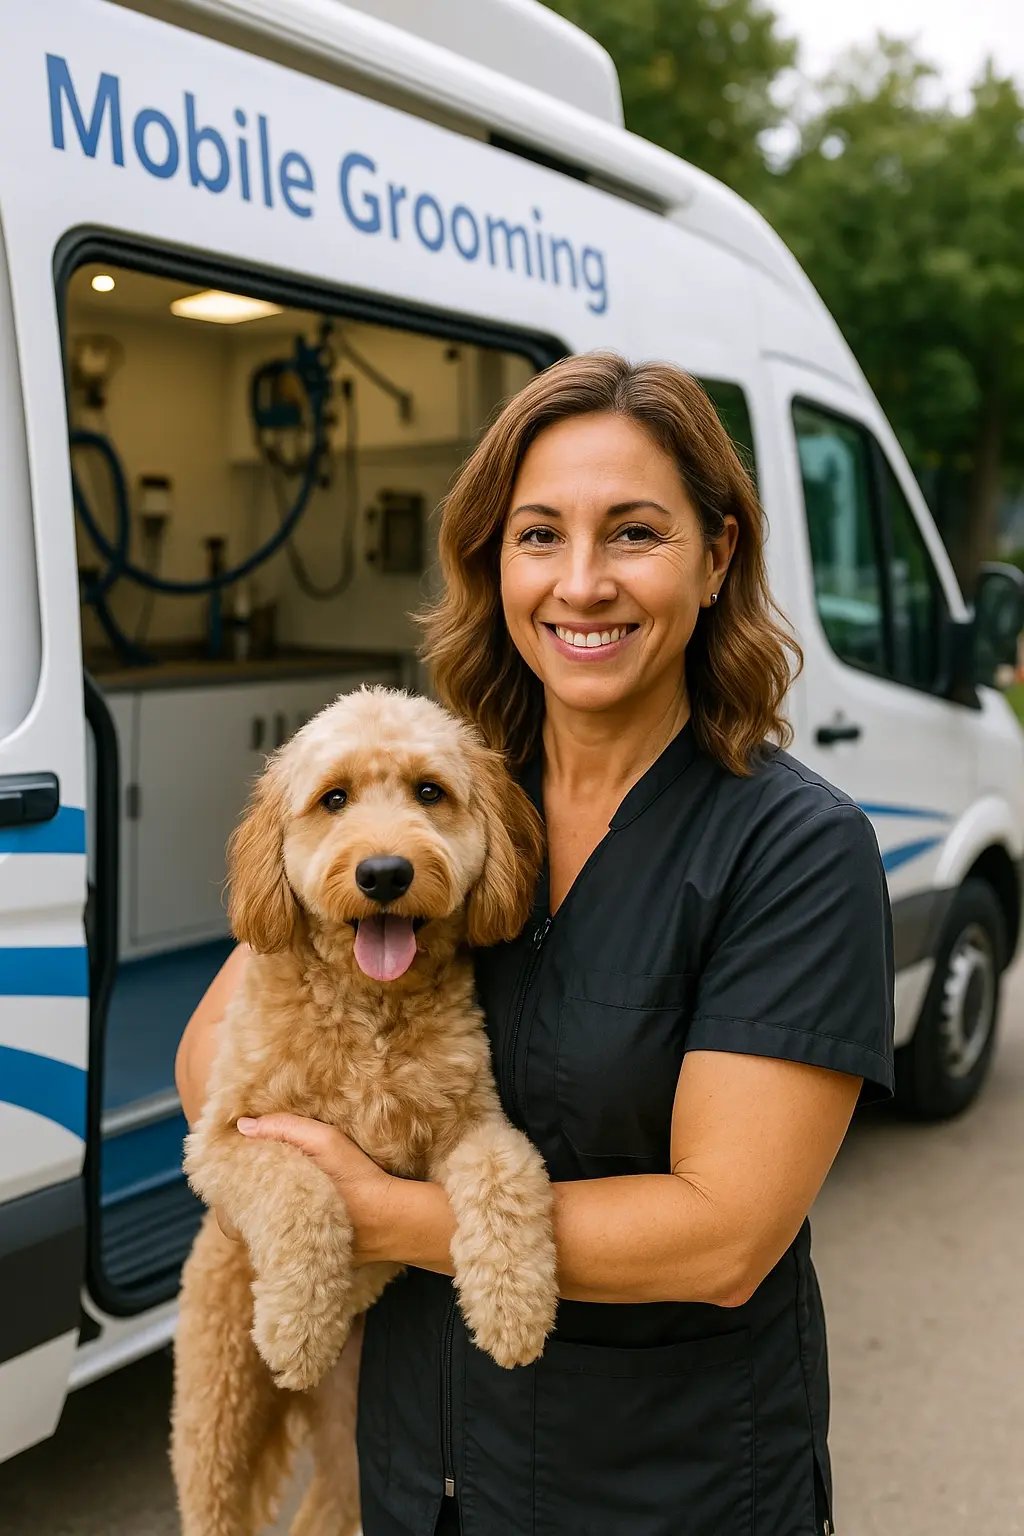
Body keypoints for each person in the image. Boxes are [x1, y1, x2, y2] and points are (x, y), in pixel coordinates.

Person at [176, 351, 894, 1536]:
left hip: (659, 1489)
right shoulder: (435, 794)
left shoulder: (792, 849)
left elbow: (725, 1233)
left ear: (717, 557)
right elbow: (216, 1056)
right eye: (538, 535)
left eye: (634, 534)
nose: (581, 582)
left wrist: (382, 1210)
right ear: (492, 563)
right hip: (418, 1477)